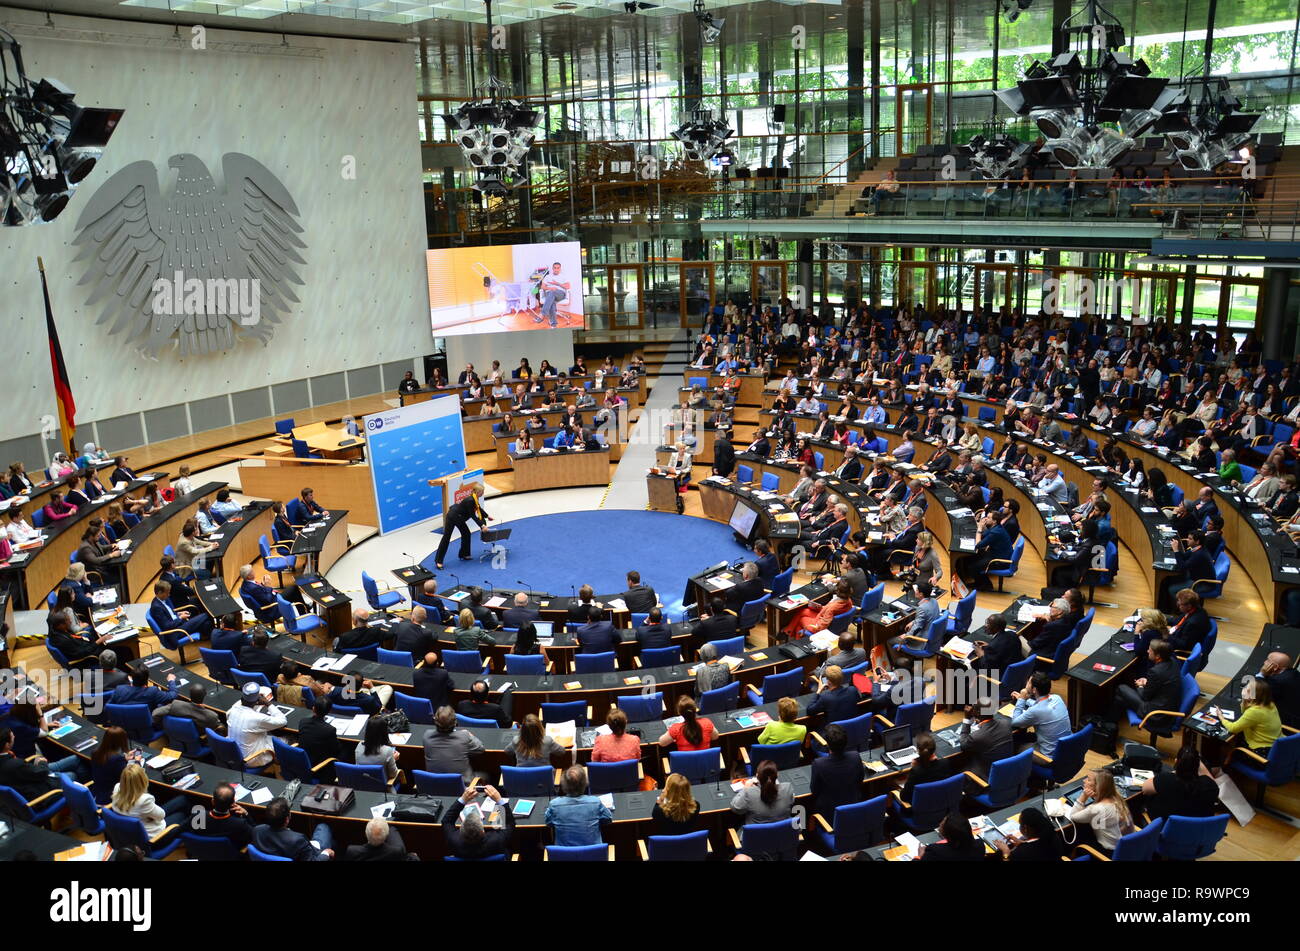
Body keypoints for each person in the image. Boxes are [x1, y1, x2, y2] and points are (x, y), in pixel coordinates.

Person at [108, 763, 190, 841]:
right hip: (153, 837)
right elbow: (161, 816)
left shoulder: (117, 787)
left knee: (182, 799)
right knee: (181, 815)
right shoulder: (144, 800)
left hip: (133, 828)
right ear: (142, 780)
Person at [1141, 745, 1219, 821]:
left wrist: (1178, 769)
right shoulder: (1209, 785)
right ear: (1198, 765)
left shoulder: (1166, 779)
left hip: (1168, 829)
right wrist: (1196, 760)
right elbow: (1213, 782)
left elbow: (1145, 789)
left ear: (1176, 761)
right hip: (1198, 830)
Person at [1068, 768, 1135, 855]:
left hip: (1109, 851)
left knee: (1077, 844)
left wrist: (1083, 797)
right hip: (1127, 846)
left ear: (1098, 786)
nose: (1084, 781)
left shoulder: (1096, 809)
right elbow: (1101, 822)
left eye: (1088, 780)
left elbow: (1073, 816)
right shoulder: (1117, 798)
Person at [1113, 639, 1181, 722]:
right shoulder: (1173, 661)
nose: (1147, 651)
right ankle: (1110, 723)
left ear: (1158, 656)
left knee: (1121, 687)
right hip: (1168, 704)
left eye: (1150, 650)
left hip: (1156, 712)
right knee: (1119, 698)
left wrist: (1140, 686)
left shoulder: (1156, 671)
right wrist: (1148, 682)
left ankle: (1108, 724)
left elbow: (1145, 697)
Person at [545, 766, 612, 846]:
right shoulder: (595, 802)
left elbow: (548, 822)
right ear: (585, 783)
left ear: (564, 785)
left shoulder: (554, 804)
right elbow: (608, 819)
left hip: (564, 855)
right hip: (593, 854)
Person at [443, 786, 515, 860]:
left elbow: (447, 821)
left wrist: (463, 799)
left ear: (460, 830)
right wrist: (499, 800)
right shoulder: (497, 840)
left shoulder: (453, 840)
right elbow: (510, 824)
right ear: (483, 831)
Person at [226, 682, 288, 769]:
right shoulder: (257, 718)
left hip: (235, 753)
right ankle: (282, 770)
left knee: (268, 733)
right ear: (258, 700)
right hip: (252, 759)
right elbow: (282, 721)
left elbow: (229, 713)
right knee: (289, 739)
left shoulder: (233, 709)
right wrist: (268, 703)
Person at [809, 723, 864, 819]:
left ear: (827, 744)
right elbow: (860, 779)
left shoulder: (818, 764)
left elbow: (814, 790)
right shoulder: (855, 756)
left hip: (828, 814)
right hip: (854, 807)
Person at [254, 796, 334, 861]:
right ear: (287, 819)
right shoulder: (297, 840)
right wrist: (326, 853)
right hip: (313, 853)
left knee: (332, 842)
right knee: (323, 826)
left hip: (283, 853)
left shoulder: (257, 830)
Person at [431, 481, 490, 569]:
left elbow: (479, 508)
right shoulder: (470, 500)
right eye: (482, 492)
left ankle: (464, 554)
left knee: (466, 533)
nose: (483, 493)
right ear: (477, 492)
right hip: (452, 517)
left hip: (460, 518)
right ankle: (438, 561)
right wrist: (482, 526)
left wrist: (488, 516)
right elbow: (473, 515)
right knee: (446, 538)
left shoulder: (474, 499)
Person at [1010, 672, 1071, 757]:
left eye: (1029, 682)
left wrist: (1021, 700)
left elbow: (1015, 722)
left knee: (1015, 745)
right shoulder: (1057, 698)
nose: (1027, 683)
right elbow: (1041, 704)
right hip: (1066, 748)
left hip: (1049, 756)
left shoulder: (1036, 711)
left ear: (1034, 689)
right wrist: (1023, 699)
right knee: (1027, 736)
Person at [422, 705, 484, 784]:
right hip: (462, 786)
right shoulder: (464, 736)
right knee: (487, 775)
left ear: (435, 721)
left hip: (435, 784)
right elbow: (480, 749)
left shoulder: (427, 736)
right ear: (455, 722)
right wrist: (469, 735)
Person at [1221, 678, 1283, 757]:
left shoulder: (1254, 712)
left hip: (1262, 752)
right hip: (1278, 747)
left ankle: (1224, 766)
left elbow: (1233, 728)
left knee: (1230, 743)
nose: (1244, 688)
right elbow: (1244, 712)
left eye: (1247, 688)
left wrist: (1221, 717)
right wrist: (1244, 700)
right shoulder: (1270, 704)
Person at [886, 582, 942, 666]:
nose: (915, 591)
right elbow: (927, 618)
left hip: (923, 642)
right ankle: (910, 659)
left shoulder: (922, 608)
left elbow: (917, 627)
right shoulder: (934, 601)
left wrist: (905, 637)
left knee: (890, 641)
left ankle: (900, 664)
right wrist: (913, 621)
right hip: (934, 638)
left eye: (917, 590)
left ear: (921, 594)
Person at [958, 702, 1014, 779]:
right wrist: (981, 721)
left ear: (977, 713)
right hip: (1008, 768)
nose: (971, 708)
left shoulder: (977, 737)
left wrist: (967, 719)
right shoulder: (1006, 723)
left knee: (956, 769)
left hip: (988, 775)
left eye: (973, 707)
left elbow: (963, 744)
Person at [783, 578, 853, 639]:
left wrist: (812, 627)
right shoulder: (849, 601)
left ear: (837, 591)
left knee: (801, 621)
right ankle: (789, 631)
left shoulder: (832, 608)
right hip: (822, 615)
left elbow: (822, 626)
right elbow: (830, 610)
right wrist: (819, 607)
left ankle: (796, 642)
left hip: (819, 624)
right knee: (803, 611)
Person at [192, 782, 256, 849]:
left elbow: (181, 830)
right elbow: (255, 834)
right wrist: (246, 814)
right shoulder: (240, 823)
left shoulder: (198, 816)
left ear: (213, 801)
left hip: (204, 850)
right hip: (230, 853)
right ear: (233, 801)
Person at [730, 759, 795, 824]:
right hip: (783, 832)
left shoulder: (749, 793)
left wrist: (745, 788)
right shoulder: (787, 788)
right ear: (777, 775)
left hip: (756, 833)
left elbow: (736, 808)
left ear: (757, 776)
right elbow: (791, 801)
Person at [148, 579, 214, 639]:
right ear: (160, 593)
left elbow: (169, 614)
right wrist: (180, 618)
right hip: (176, 631)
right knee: (206, 614)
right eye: (167, 592)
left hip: (178, 623)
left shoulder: (161, 600)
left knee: (207, 623)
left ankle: (215, 638)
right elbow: (167, 626)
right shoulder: (156, 607)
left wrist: (179, 613)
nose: (169, 595)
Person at [899, 732, 951, 804]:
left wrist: (913, 770)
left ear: (918, 750)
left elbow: (904, 797)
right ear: (934, 750)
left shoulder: (916, 771)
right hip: (941, 804)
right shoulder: (945, 763)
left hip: (920, 808)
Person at [89, 725, 134, 805]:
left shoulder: (95, 752)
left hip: (97, 791)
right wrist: (136, 762)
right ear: (121, 741)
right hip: (111, 796)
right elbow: (128, 777)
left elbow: (109, 766)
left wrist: (124, 759)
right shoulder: (117, 760)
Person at [152, 683, 221, 732]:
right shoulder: (212, 715)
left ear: (189, 695)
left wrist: (162, 726)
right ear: (205, 695)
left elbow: (155, 713)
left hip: (176, 733)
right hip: (198, 738)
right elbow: (217, 728)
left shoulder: (176, 705)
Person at [918, 812, 984, 862]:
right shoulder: (980, 845)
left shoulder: (935, 851)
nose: (940, 824)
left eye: (942, 823)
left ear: (948, 834)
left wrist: (920, 856)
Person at [1259, 651, 1299, 728]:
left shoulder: (1277, 681)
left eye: (1267, 660)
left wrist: (1261, 674)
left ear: (1275, 667)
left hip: (1289, 724)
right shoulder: (1294, 673)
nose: (1264, 662)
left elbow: (1255, 692)